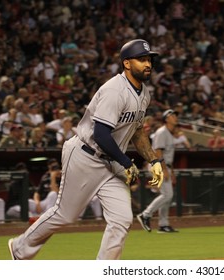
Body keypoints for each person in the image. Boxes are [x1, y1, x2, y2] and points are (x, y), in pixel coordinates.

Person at [8, 39, 164, 260]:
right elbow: (101, 135)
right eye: (142, 59)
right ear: (127, 63)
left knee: (121, 219)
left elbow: (138, 133)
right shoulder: (114, 90)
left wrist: (154, 160)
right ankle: (20, 249)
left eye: (149, 59)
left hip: (112, 162)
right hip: (85, 155)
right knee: (65, 215)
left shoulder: (144, 94)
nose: (147, 64)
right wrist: (126, 162)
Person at [137, 109, 179, 233]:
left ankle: (163, 224)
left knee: (167, 196)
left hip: (167, 166)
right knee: (167, 195)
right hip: (159, 166)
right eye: (172, 115)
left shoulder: (169, 133)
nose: (175, 117)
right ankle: (145, 215)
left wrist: (172, 172)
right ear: (166, 119)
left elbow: (169, 155)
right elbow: (158, 152)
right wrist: (164, 170)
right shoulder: (162, 132)